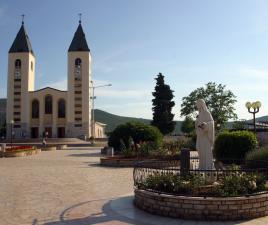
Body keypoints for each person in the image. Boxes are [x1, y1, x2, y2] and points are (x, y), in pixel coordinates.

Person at [195, 99, 214, 170]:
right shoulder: (199, 114)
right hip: (200, 137)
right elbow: (197, 125)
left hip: (205, 137)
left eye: (197, 104)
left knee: (207, 153)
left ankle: (208, 167)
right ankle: (202, 167)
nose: (196, 105)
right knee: (201, 153)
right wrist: (197, 123)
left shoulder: (207, 113)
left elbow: (212, 123)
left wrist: (205, 125)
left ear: (201, 104)